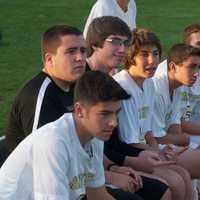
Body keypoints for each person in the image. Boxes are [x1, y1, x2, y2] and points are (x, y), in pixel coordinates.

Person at [0, 70, 131, 199]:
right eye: (105, 114)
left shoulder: (94, 136)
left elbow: (97, 194)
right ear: (79, 110)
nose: (114, 122)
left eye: (116, 112)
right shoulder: (53, 143)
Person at [85, 16, 172, 200]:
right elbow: (122, 142)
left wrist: (157, 152)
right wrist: (116, 169)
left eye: (125, 43)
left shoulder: (146, 84)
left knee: (178, 178)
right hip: (88, 175)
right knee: (169, 185)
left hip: (109, 163)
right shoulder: (113, 86)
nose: (122, 49)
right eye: (115, 42)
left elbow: (110, 143)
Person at [113, 28, 193, 200]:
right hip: (129, 156)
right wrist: (158, 153)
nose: (152, 61)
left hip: (145, 151)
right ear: (130, 56)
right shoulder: (123, 88)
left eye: (156, 54)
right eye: (144, 55)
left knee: (183, 174)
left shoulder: (148, 84)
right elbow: (131, 142)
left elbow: (148, 133)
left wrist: (160, 151)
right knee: (175, 181)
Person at [4, 25, 86, 155]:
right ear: (49, 59)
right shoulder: (39, 95)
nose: (80, 58)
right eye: (71, 51)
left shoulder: (76, 85)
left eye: (83, 50)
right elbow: (40, 154)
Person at [152, 43, 200, 180]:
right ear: (173, 67)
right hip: (151, 149)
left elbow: (175, 125)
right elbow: (156, 137)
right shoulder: (157, 90)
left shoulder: (179, 86)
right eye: (191, 67)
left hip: (170, 144)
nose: (196, 73)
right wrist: (183, 139)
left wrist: (182, 140)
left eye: (198, 67)